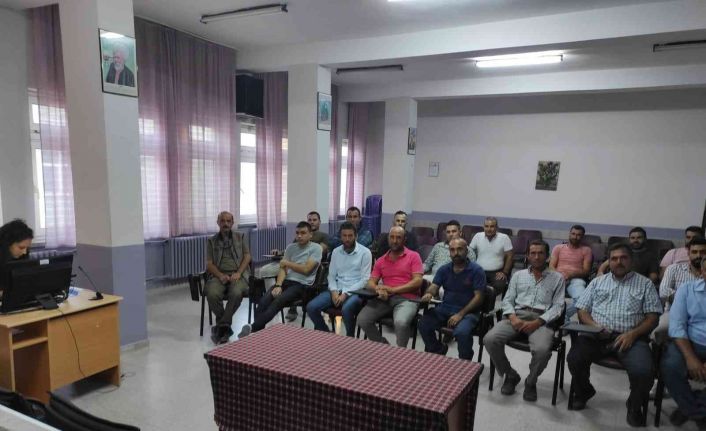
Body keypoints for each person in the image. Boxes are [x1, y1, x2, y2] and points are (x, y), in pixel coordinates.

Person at [567, 243, 662, 427]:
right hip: (596, 335)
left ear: (631, 260)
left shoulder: (645, 284)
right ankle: (584, 391)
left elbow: (653, 318)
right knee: (574, 359)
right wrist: (595, 326)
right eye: (614, 258)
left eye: (623, 258)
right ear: (608, 261)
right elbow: (582, 310)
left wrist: (633, 334)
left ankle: (634, 405)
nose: (618, 262)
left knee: (644, 372)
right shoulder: (597, 282)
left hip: (631, 338)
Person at [484, 239, 565, 402]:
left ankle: (531, 381)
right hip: (517, 316)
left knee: (542, 350)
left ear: (547, 256)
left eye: (541, 253)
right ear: (527, 255)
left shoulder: (558, 278)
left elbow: (558, 307)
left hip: (541, 321)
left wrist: (538, 322)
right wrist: (513, 317)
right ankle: (510, 375)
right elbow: (507, 300)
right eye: (533, 253)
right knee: (490, 339)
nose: (537, 257)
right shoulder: (518, 275)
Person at [238, 221, 322, 337]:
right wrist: (278, 285)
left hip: (302, 285)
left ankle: (253, 327)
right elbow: (282, 268)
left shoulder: (316, 248)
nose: (299, 236)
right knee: (263, 301)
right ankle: (257, 333)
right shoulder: (291, 248)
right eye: (297, 233)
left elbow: (306, 269)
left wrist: (288, 263)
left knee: (278, 301)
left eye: (303, 233)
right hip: (286, 282)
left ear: (310, 235)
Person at [418, 238, 485, 360]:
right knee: (423, 323)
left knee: (462, 333)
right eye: (452, 250)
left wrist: (460, 314)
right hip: (445, 308)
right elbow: (434, 287)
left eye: (459, 249)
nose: (456, 253)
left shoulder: (477, 270)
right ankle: (438, 349)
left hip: (468, 312)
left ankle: (465, 362)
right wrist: (429, 294)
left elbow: (479, 298)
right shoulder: (444, 269)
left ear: (467, 251)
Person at [357, 226, 423, 347]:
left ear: (404, 239)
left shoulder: (414, 256)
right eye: (392, 237)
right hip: (385, 298)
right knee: (362, 319)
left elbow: (418, 281)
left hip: (407, 299)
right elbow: (370, 282)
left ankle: (400, 352)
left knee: (401, 323)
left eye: (398, 237)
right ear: (388, 239)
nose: (394, 241)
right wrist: (377, 289)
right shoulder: (381, 260)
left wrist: (393, 289)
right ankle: (383, 346)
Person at [257, 211, 329, 322]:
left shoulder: (323, 237)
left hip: (311, 271)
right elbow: (292, 250)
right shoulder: (299, 236)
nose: (312, 222)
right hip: (291, 271)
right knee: (265, 273)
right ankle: (272, 289)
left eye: (314, 220)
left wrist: (289, 262)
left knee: (280, 299)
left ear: (319, 222)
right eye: (309, 220)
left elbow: (318, 252)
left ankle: (255, 327)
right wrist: (280, 252)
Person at [660, 257, 706, 428]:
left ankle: (690, 409)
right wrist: (690, 358)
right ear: (702, 272)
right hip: (690, 341)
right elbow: (677, 325)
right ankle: (698, 411)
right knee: (670, 367)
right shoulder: (687, 289)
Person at [306, 222, 371, 336]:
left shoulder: (365, 253)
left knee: (346, 309)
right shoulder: (336, 252)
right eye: (344, 236)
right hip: (337, 288)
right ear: (340, 236)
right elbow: (331, 275)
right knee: (311, 307)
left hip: (355, 292)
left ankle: (350, 338)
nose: (347, 239)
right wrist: (334, 291)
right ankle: (327, 334)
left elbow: (364, 280)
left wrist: (345, 294)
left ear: (356, 236)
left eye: (350, 236)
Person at [204, 212, 252, 344]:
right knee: (211, 293)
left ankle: (221, 327)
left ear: (232, 222)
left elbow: (247, 256)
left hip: (238, 274)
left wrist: (239, 272)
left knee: (236, 292)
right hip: (219, 275)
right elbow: (209, 264)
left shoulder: (240, 236)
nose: (225, 224)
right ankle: (224, 327)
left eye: (228, 221)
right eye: (223, 221)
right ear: (218, 222)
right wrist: (220, 275)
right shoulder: (211, 241)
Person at [654, 238, 706, 344]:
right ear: (688, 253)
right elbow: (663, 292)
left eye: (702, 252)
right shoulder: (674, 269)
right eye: (694, 252)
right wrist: (685, 300)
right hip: (672, 312)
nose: (698, 255)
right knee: (659, 329)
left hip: (701, 315)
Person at [549, 225, 592, 322]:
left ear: (582, 237)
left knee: (582, 300)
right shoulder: (558, 248)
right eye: (573, 234)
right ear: (569, 234)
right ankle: (561, 319)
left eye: (578, 235)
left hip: (576, 279)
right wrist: (560, 276)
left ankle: (562, 316)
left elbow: (586, 271)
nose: (575, 237)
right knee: (545, 298)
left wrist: (570, 275)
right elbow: (551, 266)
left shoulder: (586, 250)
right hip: (557, 277)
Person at [469, 217, 513, 296]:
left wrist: (505, 272)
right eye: (486, 226)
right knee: (469, 284)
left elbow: (510, 256)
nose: (489, 229)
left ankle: (485, 299)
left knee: (499, 286)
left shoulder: (504, 238)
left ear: (497, 227)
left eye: (492, 226)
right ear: (483, 227)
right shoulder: (477, 236)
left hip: (497, 272)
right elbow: (469, 252)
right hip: (479, 271)